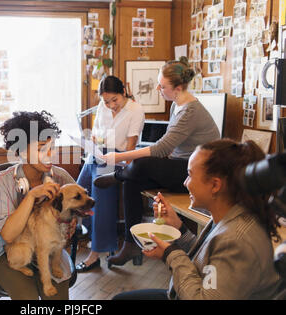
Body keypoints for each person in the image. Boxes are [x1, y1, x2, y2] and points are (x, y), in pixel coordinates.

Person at [113, 139, 282, 299]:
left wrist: (170, 254)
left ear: (215, 185)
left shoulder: (237, 241)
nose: (185, 182)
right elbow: (209, 261)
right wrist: (179, 227)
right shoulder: (229, 215)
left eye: (190, 175)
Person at [94, 57, 220, 267]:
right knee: (132, 179)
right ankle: (130, 244)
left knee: (142, 164)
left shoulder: (191, 112)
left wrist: (118, 158)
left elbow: (161, 148)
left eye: (162, 86)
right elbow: (169, 150)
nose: (158, 88)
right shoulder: (176, 106)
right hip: (182, 166)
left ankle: (117, 176)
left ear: (178, 88)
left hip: (198, 174)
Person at [0, 111, 76, 300]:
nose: (50, 155)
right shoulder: (1, 182)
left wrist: (72, 219)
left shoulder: (61, 178)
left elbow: (77, 213)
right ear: (21, 150)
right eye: (42, 148)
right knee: (26, 297)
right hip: (9, 254)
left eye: (52, 148)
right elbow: (7, 236)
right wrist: (30, 197)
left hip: (50, 253)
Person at [75, 75, 144, 272]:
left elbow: (131, 149)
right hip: (99, 155)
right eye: (106, 101)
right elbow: (97, 134)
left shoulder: (135, 110)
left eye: (115, 100)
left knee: (99, 192)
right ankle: (93, 233)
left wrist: (115, 160)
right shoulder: (102, 107)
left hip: (120, 158)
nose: (111, 105)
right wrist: (94, 142)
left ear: (123, 93)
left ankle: (95, 254)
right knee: (78, 191)